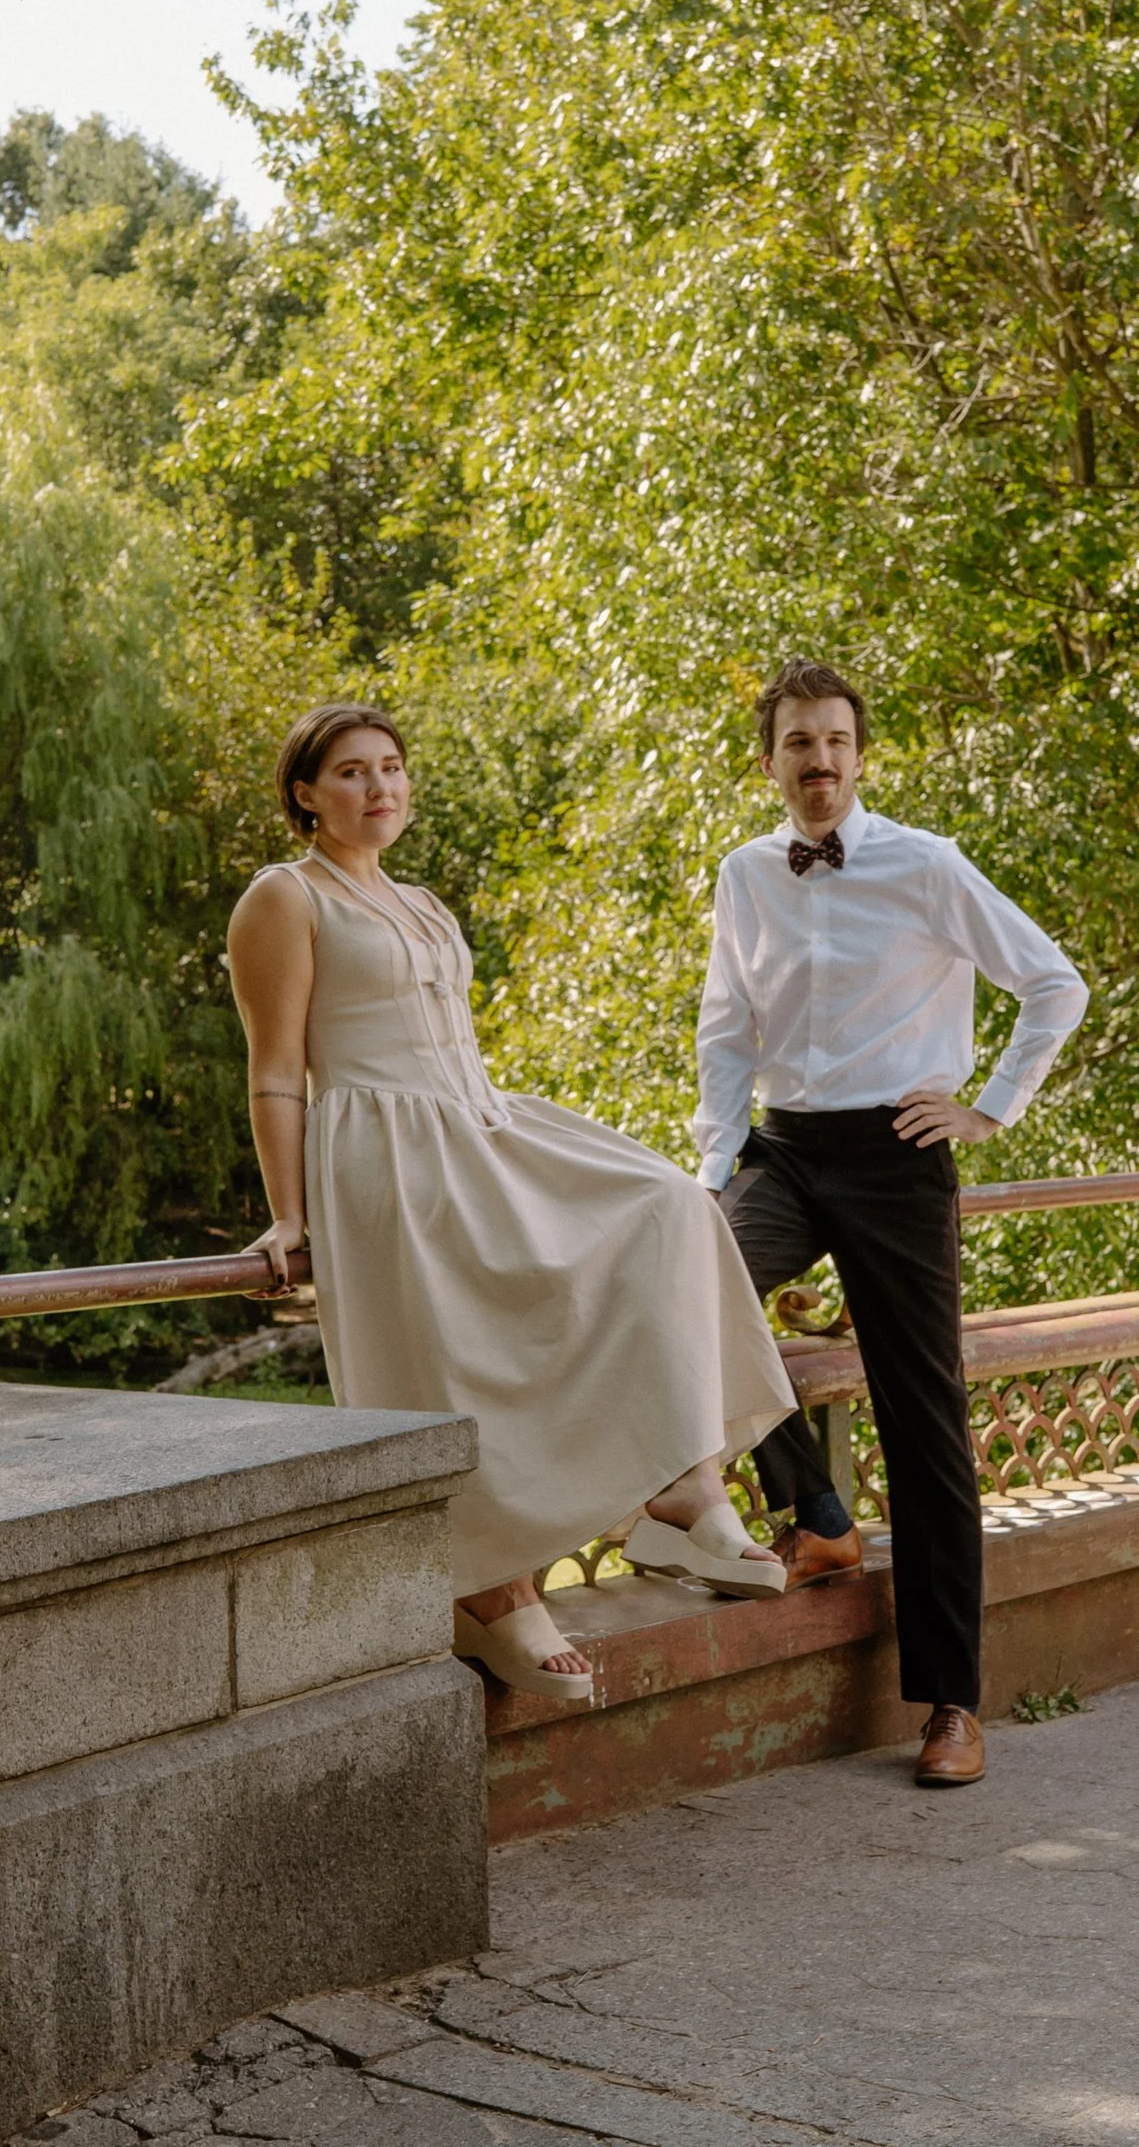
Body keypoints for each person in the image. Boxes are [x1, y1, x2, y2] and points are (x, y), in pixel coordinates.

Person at [227, 703, 796, 1705]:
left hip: (478, 1122)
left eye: (393, 768)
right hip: (386, 1147)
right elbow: (276, 1069)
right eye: (353, 773)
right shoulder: (283, 898)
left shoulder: (425, 903)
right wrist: (288, 1214)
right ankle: (493, 1590)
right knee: (450, 1353)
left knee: (669, 1206)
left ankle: (681, 1485)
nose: (379, 788)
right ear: (305, 795)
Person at [695, 661, 1089, 1787]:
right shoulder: (743, 875)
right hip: (781, 1148)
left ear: (859, 757)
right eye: (795, 745)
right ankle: (811, 1510)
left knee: (924, 1422)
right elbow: (725, 1029)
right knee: (690, 1287)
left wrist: (989, 1106)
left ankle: (951, 1706)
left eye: (833, 743)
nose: (816, 764)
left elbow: (1053, 985)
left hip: (898, 1155)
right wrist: (716, 1164)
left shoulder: (928, 865)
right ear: (767, 762)